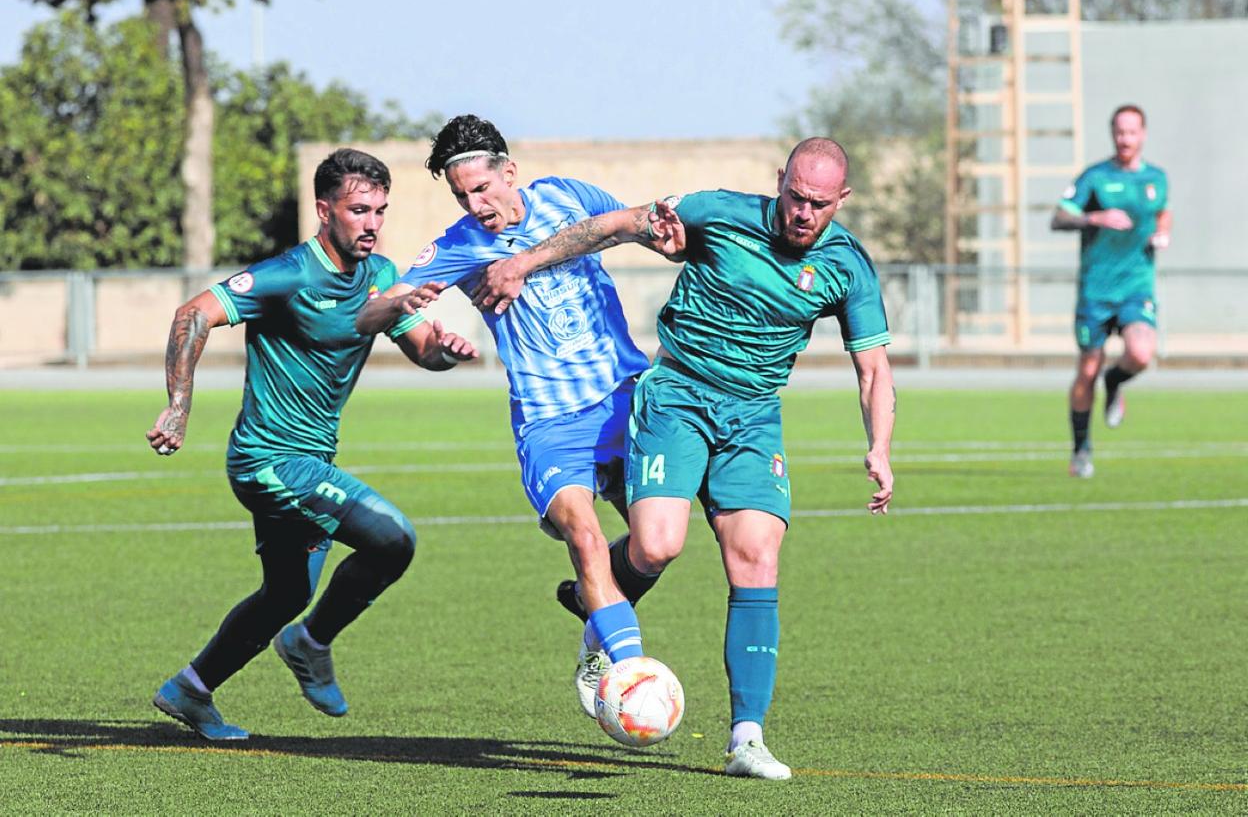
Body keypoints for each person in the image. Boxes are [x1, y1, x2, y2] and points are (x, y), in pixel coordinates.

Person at [474, 137, 896, 780]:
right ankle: (599, 607)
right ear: (778, 180)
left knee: (757, 557)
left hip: (753, 417)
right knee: (655, 548)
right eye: (794, 197)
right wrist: (527, 261)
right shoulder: (717, 212)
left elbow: (873, 368)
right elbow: (613, 226)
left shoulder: (849, 266)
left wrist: (880, 446)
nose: (803, 214)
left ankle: (746, 739)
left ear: (843, 200)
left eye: (819, 204)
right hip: (676, 396)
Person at [353, 115, 681, 720]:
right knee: (584, 539)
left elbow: (634, 229)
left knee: (657, 548)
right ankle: (628, 675)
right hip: (550, 420)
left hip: (625, 397)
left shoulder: (570, 197)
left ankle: (594, 617)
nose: (475, 205)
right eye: (461, 195)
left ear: (510, 172)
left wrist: (669, 241)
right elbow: (368, 319)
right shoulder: (457, 245)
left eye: (481, 189)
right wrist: (400, 302)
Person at [146, 148, 478, 741]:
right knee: (393, 540)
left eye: (380, 209)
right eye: (358, 210)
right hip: (269, 461)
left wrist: (444, 351)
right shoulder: (290, 274)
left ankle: (191, 690)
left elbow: (421, 348)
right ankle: (310, 642)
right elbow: (191, 314)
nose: (372, 222)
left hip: (312, 460)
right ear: (324, 211)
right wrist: (178, 407)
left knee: (287, 591)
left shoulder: (380, 277)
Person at [1051, 104, 1171, 478]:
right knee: (1087, 367)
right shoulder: (1095, 178)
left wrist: (1162, 233)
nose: (1125, 139)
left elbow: (1163, 211)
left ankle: (1115, 381)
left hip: (1136, 285)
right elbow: (1058, 216)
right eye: (1119, 132)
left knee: (1140, 353)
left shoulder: (1156, 178)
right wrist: (1095, 217)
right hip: (1096, 291)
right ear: (1112, 133)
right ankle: (1081, 449)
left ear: (1143, 134)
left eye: (1132, 132)